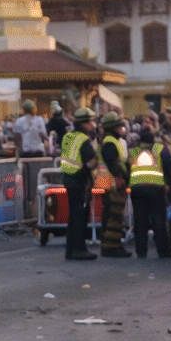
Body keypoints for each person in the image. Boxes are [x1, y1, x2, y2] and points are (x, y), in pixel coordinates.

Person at [128, 121, 171, 259]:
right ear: (153, 139)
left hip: (137, 189)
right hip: (156, 188)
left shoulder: (133, 151)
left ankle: (141, 251)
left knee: (140, 221)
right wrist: (169, 184)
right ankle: (163, 251)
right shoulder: (160, 149)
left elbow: (126, 168)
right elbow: (168, 166)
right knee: (159, 219)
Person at [59, 106, 99, 260]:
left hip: (68, 180)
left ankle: (71, 250)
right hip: (80, 181)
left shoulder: (68, 137)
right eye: (91, 122)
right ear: (85, 123)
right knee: (81, 217)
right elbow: (91, 160)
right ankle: (79, 249)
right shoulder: (83, 140)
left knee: (73, 217)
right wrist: (92, 171)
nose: (93, 125)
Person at [97, 111, 131, 258]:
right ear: (113, 128)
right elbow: (113, 163)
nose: (122, 128)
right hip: (114, 184)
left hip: (111, 184)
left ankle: (112, 245)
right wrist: (121, 176)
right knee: (114, 217)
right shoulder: (110, 142)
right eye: (119, 126)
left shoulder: (112, 141)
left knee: (114, 216)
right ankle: (111, 247)